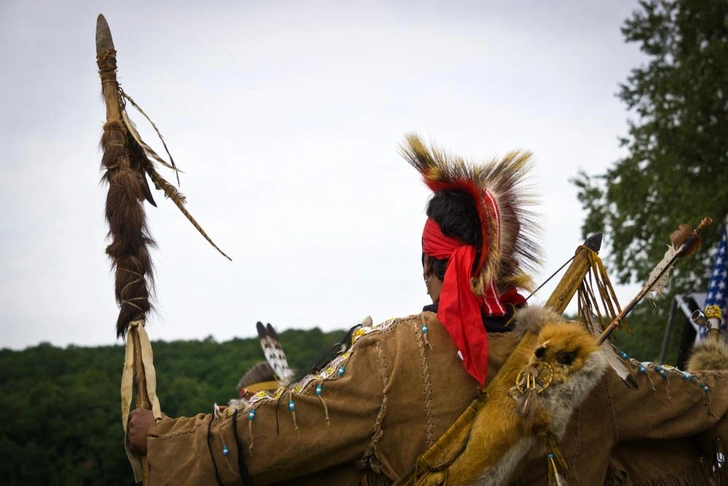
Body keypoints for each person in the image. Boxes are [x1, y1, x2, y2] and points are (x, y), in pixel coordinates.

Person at [128, 135, 728, 485]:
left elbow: (276, 429)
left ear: (433, 266)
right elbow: (694, 400)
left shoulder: (394, 360)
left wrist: (166, 439)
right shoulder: (590, 369)